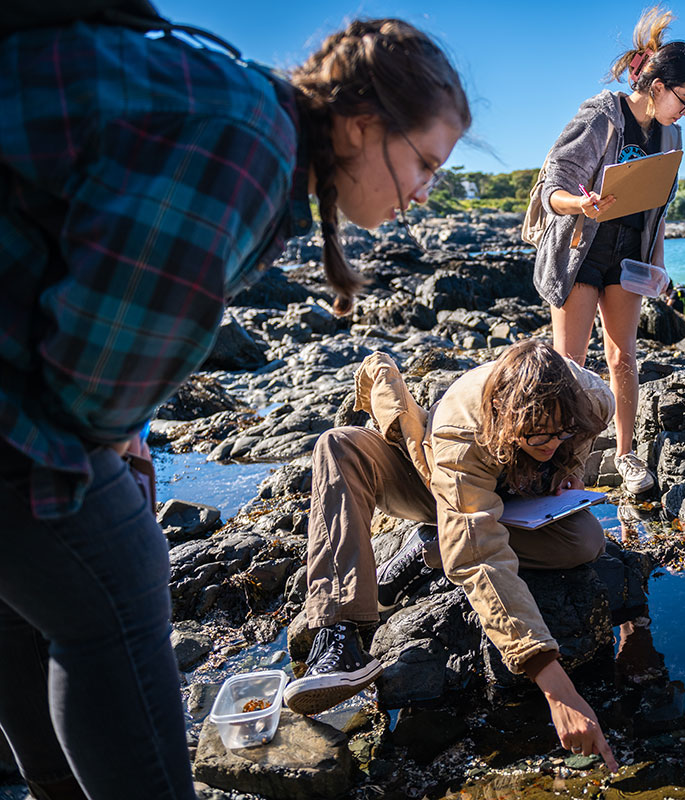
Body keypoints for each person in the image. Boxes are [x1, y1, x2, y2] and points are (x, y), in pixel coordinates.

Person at [0, 17, 469, 799]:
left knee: (29, 595)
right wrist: (117, 435)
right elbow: (97, 364)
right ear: (361, 125)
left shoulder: (251, 119)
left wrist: (124, 431)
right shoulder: (247, 148)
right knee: (119, 581)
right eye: (423, 163)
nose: (424, 192)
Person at [288, 339, 620, 770]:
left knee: (586, 542)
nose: (552, 441)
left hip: (515, 498)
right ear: (503, 414)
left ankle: (435, 546)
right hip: (439, 485)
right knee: (339, 445)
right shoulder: (461, 432)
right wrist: (557, 688)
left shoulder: (593, 401)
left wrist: (567, 470)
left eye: (562, 431)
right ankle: (341, 633)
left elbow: (574, 443)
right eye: (538, 433)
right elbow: (480, 558)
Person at [532, 6, 685, 495]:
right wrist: (581, 203)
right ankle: (561, 460)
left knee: (623, 358)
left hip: (629, 254)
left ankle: (627, 457)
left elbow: (660, 207)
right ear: (658, 86)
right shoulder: (602, 115)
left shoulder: (672, 135)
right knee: (568, 361)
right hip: (579, 248)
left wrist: (658, 263)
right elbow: (554, 184)